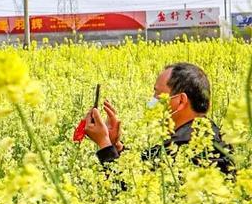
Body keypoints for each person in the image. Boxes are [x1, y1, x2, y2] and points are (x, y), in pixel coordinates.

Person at [83, 62, 234, 174]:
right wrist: (116, 146)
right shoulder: (211, 134)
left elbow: (128, 189)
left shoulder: (186, 149)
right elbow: (140, 171)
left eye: (157, 94)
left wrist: (103, 143)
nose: (153, 100)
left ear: (180, 101)